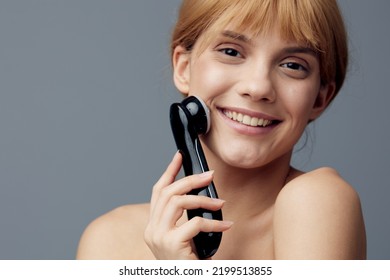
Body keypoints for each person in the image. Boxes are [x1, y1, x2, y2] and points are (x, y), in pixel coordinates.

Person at [76, 0, 366, 260]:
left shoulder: (318, 201)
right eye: (231, 51)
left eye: (292, 65)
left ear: (320, 98)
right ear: (184, 68)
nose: (258, 87)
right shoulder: (107, 241)